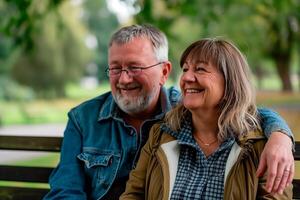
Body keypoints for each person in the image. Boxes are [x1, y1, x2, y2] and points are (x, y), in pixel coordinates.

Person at [44, 25, 294, 200]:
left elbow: (244, 111)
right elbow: (66, 190)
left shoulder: (182, 108)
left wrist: (280, 134)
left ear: (164, 72)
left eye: (134, 67)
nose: (123, 78)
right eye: (114, 68)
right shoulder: (83, 119)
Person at [120, 38, 293, 199]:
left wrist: (281, 135)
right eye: (185, 69)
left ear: (230, 82)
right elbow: (133, 194)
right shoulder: (161, 135)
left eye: (200, 69)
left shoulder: (259, 145)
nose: (187, 77)